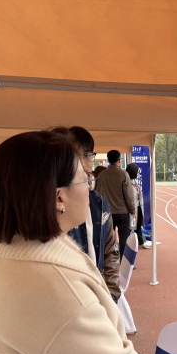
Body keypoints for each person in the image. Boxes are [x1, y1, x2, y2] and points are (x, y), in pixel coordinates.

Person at [0, 130, 152, 354]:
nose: (90, 186)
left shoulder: (7, 256)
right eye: (85, 179)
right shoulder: (53, 284)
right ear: (59, 197)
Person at [55, 126, 121, 303]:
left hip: (98, 297)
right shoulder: (53, 210)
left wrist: (111, 295)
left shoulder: (100, 203)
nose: (83, 163)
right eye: (75, 156)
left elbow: (110, 250)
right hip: (73, 301)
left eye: (87, 155)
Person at [95, 150, 136, 260]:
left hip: (106, 212)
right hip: (122, 212)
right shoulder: (123, 174)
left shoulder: (101, 175)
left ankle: (106, 261)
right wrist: (133, 210)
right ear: (119, 160)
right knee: (124, 238)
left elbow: (97, 193)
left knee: (106, 238)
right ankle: (124, 261)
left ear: (108, 160)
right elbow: (129, 195)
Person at [125, 163, 149, 249]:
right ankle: (127, 245)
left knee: (138, 225)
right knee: (129, 227)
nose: (138, 173)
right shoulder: (126, 182)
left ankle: (140, 242)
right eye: (137, 171)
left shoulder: (135, 182)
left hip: (138, 207)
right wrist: (132, 210)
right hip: (130, 208)